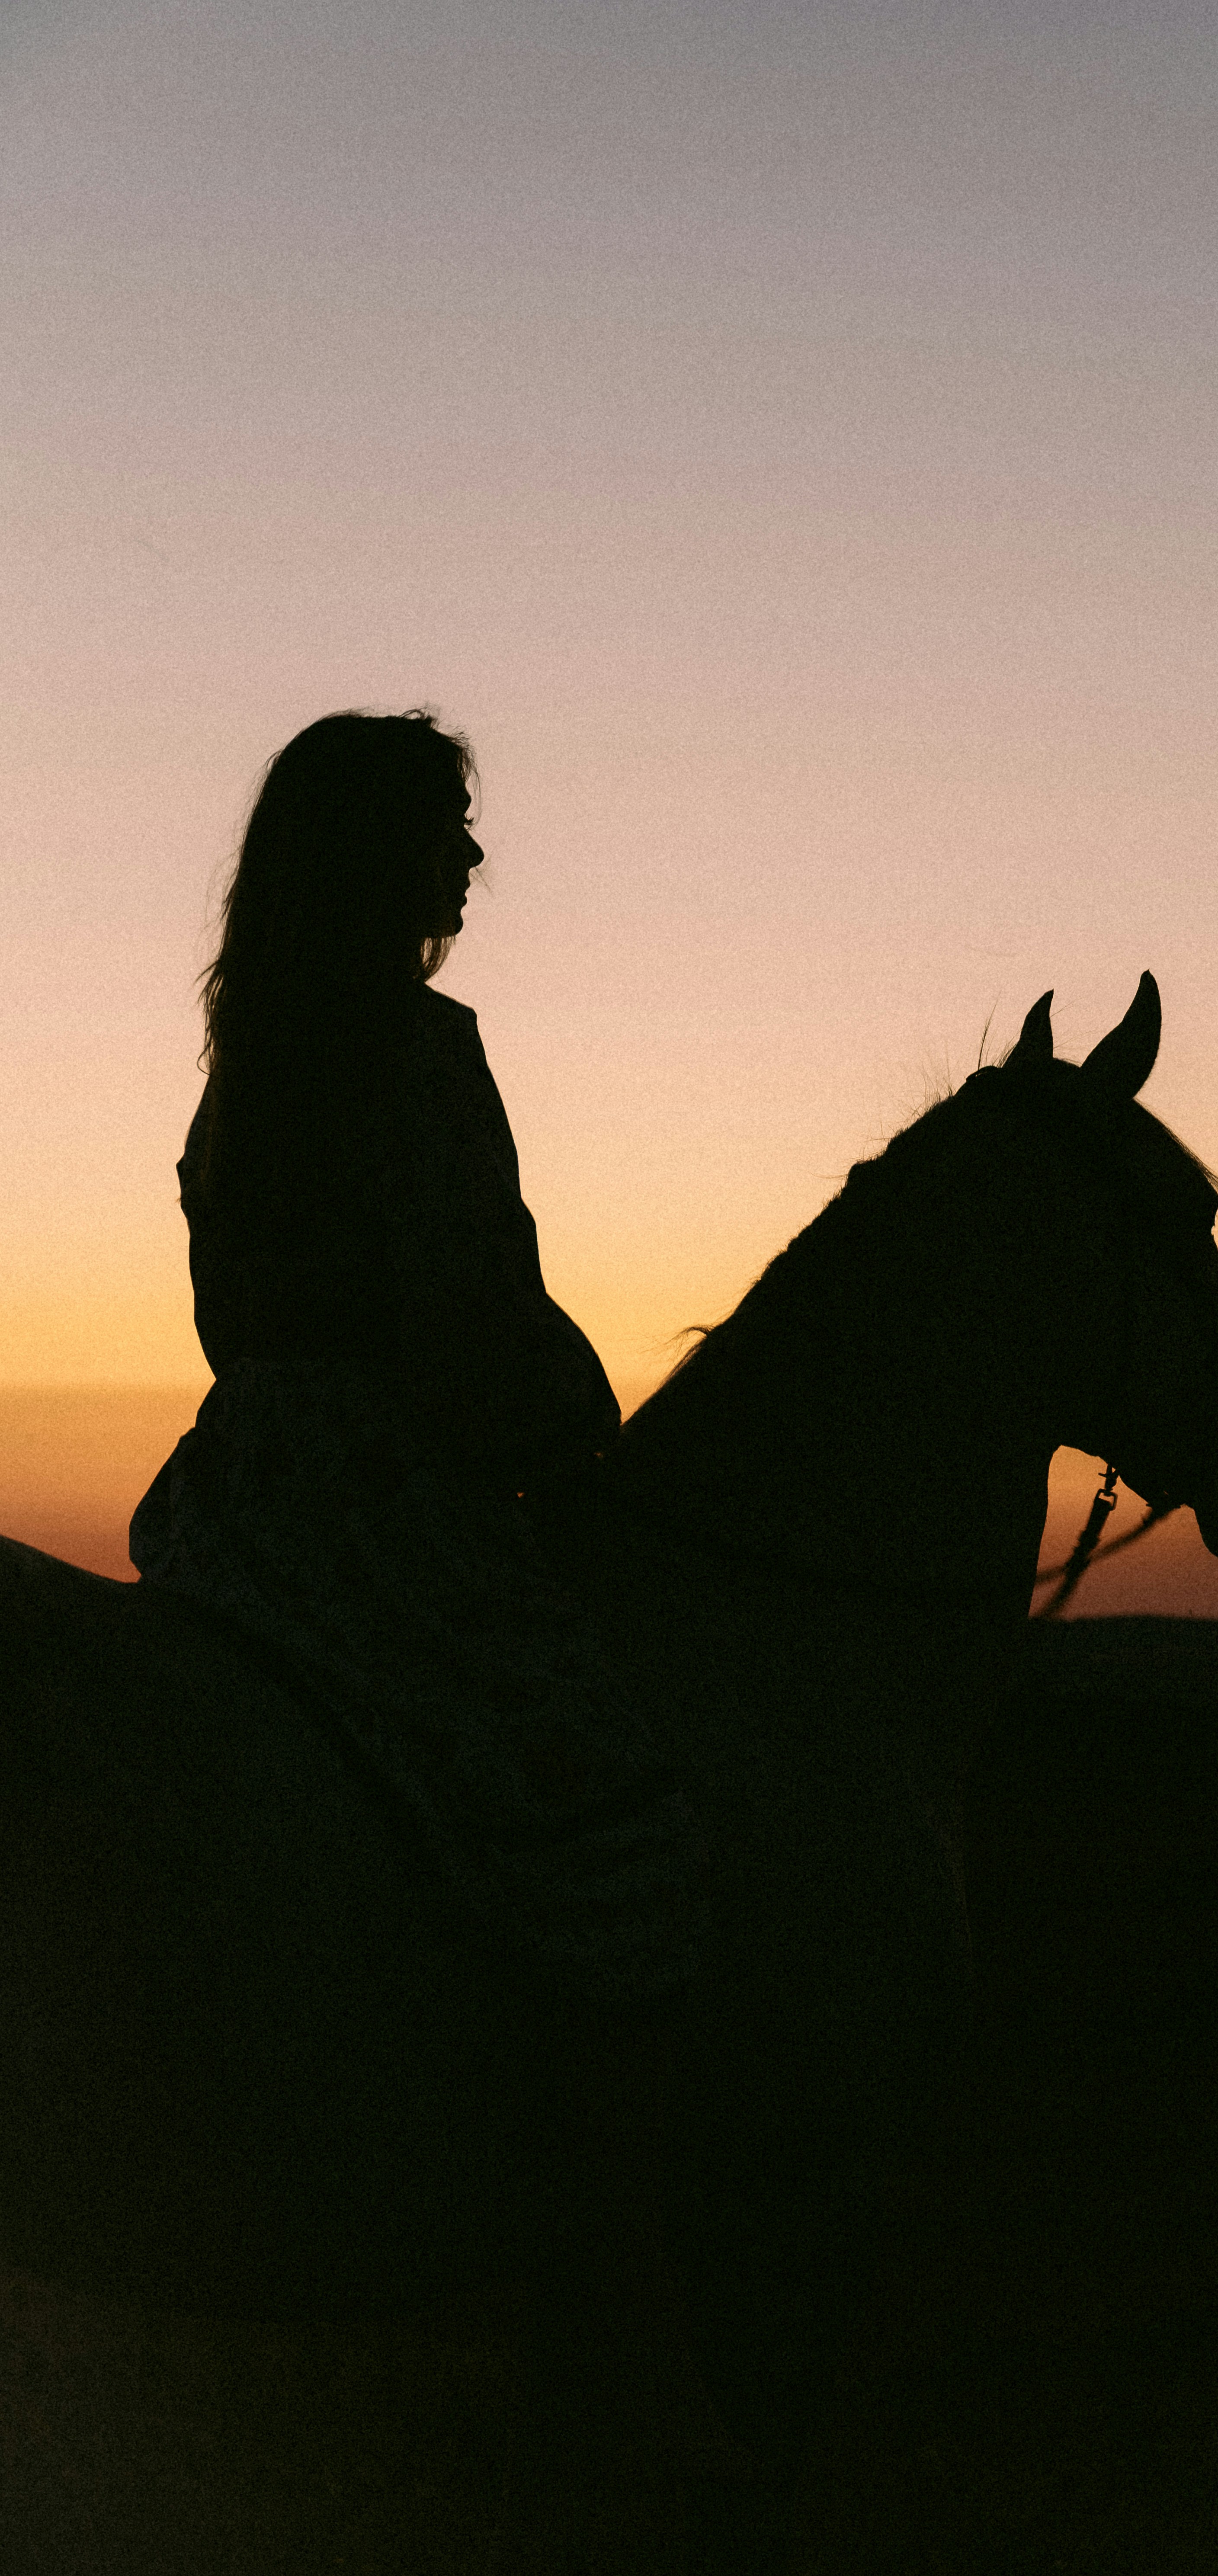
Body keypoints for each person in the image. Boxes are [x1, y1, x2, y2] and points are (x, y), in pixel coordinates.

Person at [130, 708, 739, 2564]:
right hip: (386, 1495)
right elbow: (474, 1305)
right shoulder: (419, 1050)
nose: (470, 863)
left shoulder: (249, 1062)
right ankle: (594, 2235)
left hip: (242, 1490)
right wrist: (586, 1435)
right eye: (445, 832)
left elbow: (235, 1311)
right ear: (376, 855)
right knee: (611, 1803)